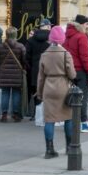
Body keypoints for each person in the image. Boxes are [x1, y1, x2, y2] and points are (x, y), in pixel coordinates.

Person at [37, 25, 77, 158]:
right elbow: (72, 75)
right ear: (62, 39)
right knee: (68, 117)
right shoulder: (66, 54)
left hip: (48, 87)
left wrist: (39, 93)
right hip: (63, 87)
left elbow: (40, 77)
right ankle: (69, 147)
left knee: (49, 119)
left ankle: (49, 150)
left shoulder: (44, 54)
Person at [64, 14, 88, 133]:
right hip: (81, 72)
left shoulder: (68, 36)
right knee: (82, 98)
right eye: (87, 24)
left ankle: (71, 122)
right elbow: (84, 57)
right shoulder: (81, 37)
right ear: (82, 24)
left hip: (69, 71)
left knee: (71, 97)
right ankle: (83, 123)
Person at [0, 26, 28, 122]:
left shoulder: (0, 46)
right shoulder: (20, 46)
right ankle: (15, 114)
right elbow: (24, 60)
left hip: (4, 74)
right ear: (15, 35)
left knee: (5, 93)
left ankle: (4, 114)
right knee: (16, 93)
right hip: (17, 74)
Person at [25, 18, 51, 118]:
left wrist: (31, 67)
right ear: (48, 27)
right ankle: (48, 114)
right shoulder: (51, 39)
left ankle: (36, 115)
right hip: (49, 69)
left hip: (35, 70)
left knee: (36, 91)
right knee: (48, 91)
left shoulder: (31, 40)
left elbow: (26, 57)